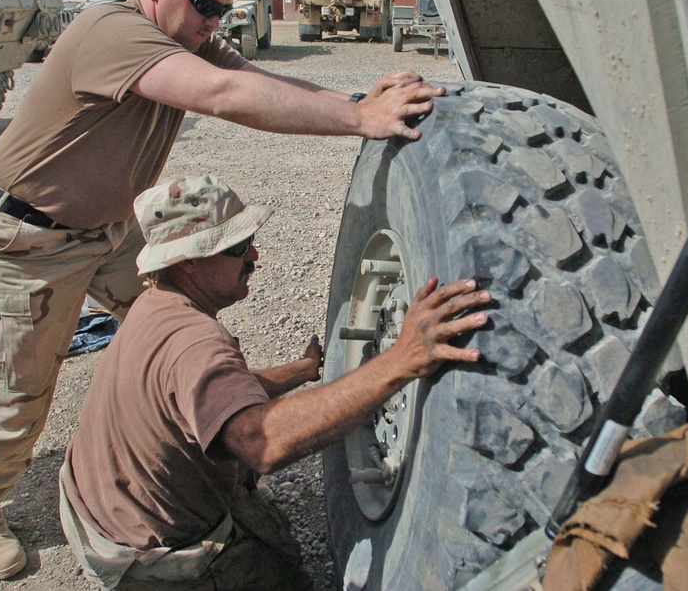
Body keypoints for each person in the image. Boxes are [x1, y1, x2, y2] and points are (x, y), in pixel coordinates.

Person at [0, 0, 445, 580]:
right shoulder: (114, 32)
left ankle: (196, 424)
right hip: (27, 242)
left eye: (223, 9)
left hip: (106, 230)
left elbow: (244, 74)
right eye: (205, 6)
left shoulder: (183, 32)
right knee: (21, 393)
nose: (215, 22)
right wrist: (358, 122)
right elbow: (222, 96)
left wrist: (354, 103)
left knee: (179, 328)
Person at [58, 174, 490, 589]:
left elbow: (218, 396)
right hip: (150, 559)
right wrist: (401, 358)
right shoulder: (195, 341)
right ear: (188, 261)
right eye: (239, 246)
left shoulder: (154, 307)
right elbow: (259, 441)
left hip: (97, 514)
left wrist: (303, 370)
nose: (255, 256)